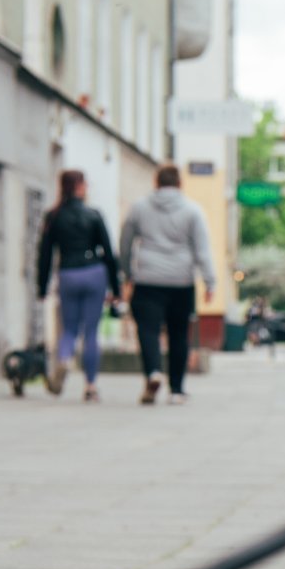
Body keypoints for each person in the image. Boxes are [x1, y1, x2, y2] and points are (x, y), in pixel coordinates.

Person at [120, 164, 216, 405]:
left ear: (156, 182)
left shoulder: (139, 208)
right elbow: (202, 248)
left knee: (148, 330)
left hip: (148, 279)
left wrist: (127, 272)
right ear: (179, 183)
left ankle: (153, 371)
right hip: (181, 281)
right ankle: (176, 390)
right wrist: (209, 281)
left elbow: (125, 242)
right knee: (178, 334)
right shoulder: (193, 211)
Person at [35, 170, 120, 401]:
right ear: (80, 187)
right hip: (94, 272)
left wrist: (42, 287)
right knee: (91, 332)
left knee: (69, 328)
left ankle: (64, 358)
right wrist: (116, 289)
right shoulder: (94, 215)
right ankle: (91, 386)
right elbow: (109, 254)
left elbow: (45, 255)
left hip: (68, 273)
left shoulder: (53, 216)